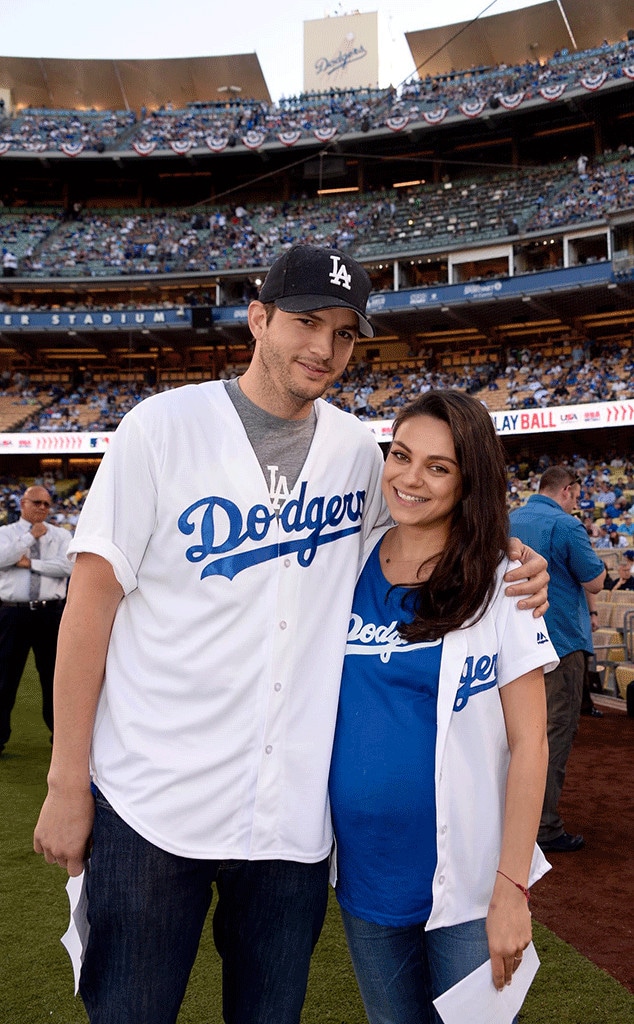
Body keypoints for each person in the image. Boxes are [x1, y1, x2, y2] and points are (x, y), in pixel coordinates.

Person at [33, 244, 548, 1024]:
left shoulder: (355, 453)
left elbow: (426, 527)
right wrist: (68, 782)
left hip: (289, 823)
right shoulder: (160, 429)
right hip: (152, 801)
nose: (325, 348)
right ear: (259, 319)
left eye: (344, 333)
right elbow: (90, 608)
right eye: (308, 322)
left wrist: (511, 549)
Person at [328, 391, 557, 1024]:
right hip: (366, 879)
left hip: (470, 886)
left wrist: (512, 890)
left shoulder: (502, 582)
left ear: (468, 481)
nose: (410, 477)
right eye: (401, 456)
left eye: (438, 466)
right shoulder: (345, 564)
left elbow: (531, 744)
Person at [510, 466, 606, 853]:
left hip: (510, 644)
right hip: (559, 644)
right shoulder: (565, 525)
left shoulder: (509, 518)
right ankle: (544, 826)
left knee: (512, 737)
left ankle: (511, 817)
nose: (578, 501)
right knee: (551, 736)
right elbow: (595, 581)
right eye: (577, 494)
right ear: (566, 491)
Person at [0, 486, 73, 755]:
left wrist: (30, 564)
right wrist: (30, 537)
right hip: (12, 612)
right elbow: (1, 559)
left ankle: (62, 740)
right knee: (4, 678)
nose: (43, 508)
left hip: (50, 613)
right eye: (37, 502)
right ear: (23, 503)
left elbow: (68, 567)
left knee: (56, 678)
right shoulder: (6, 534)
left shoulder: (62, 535)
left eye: (47, 503)